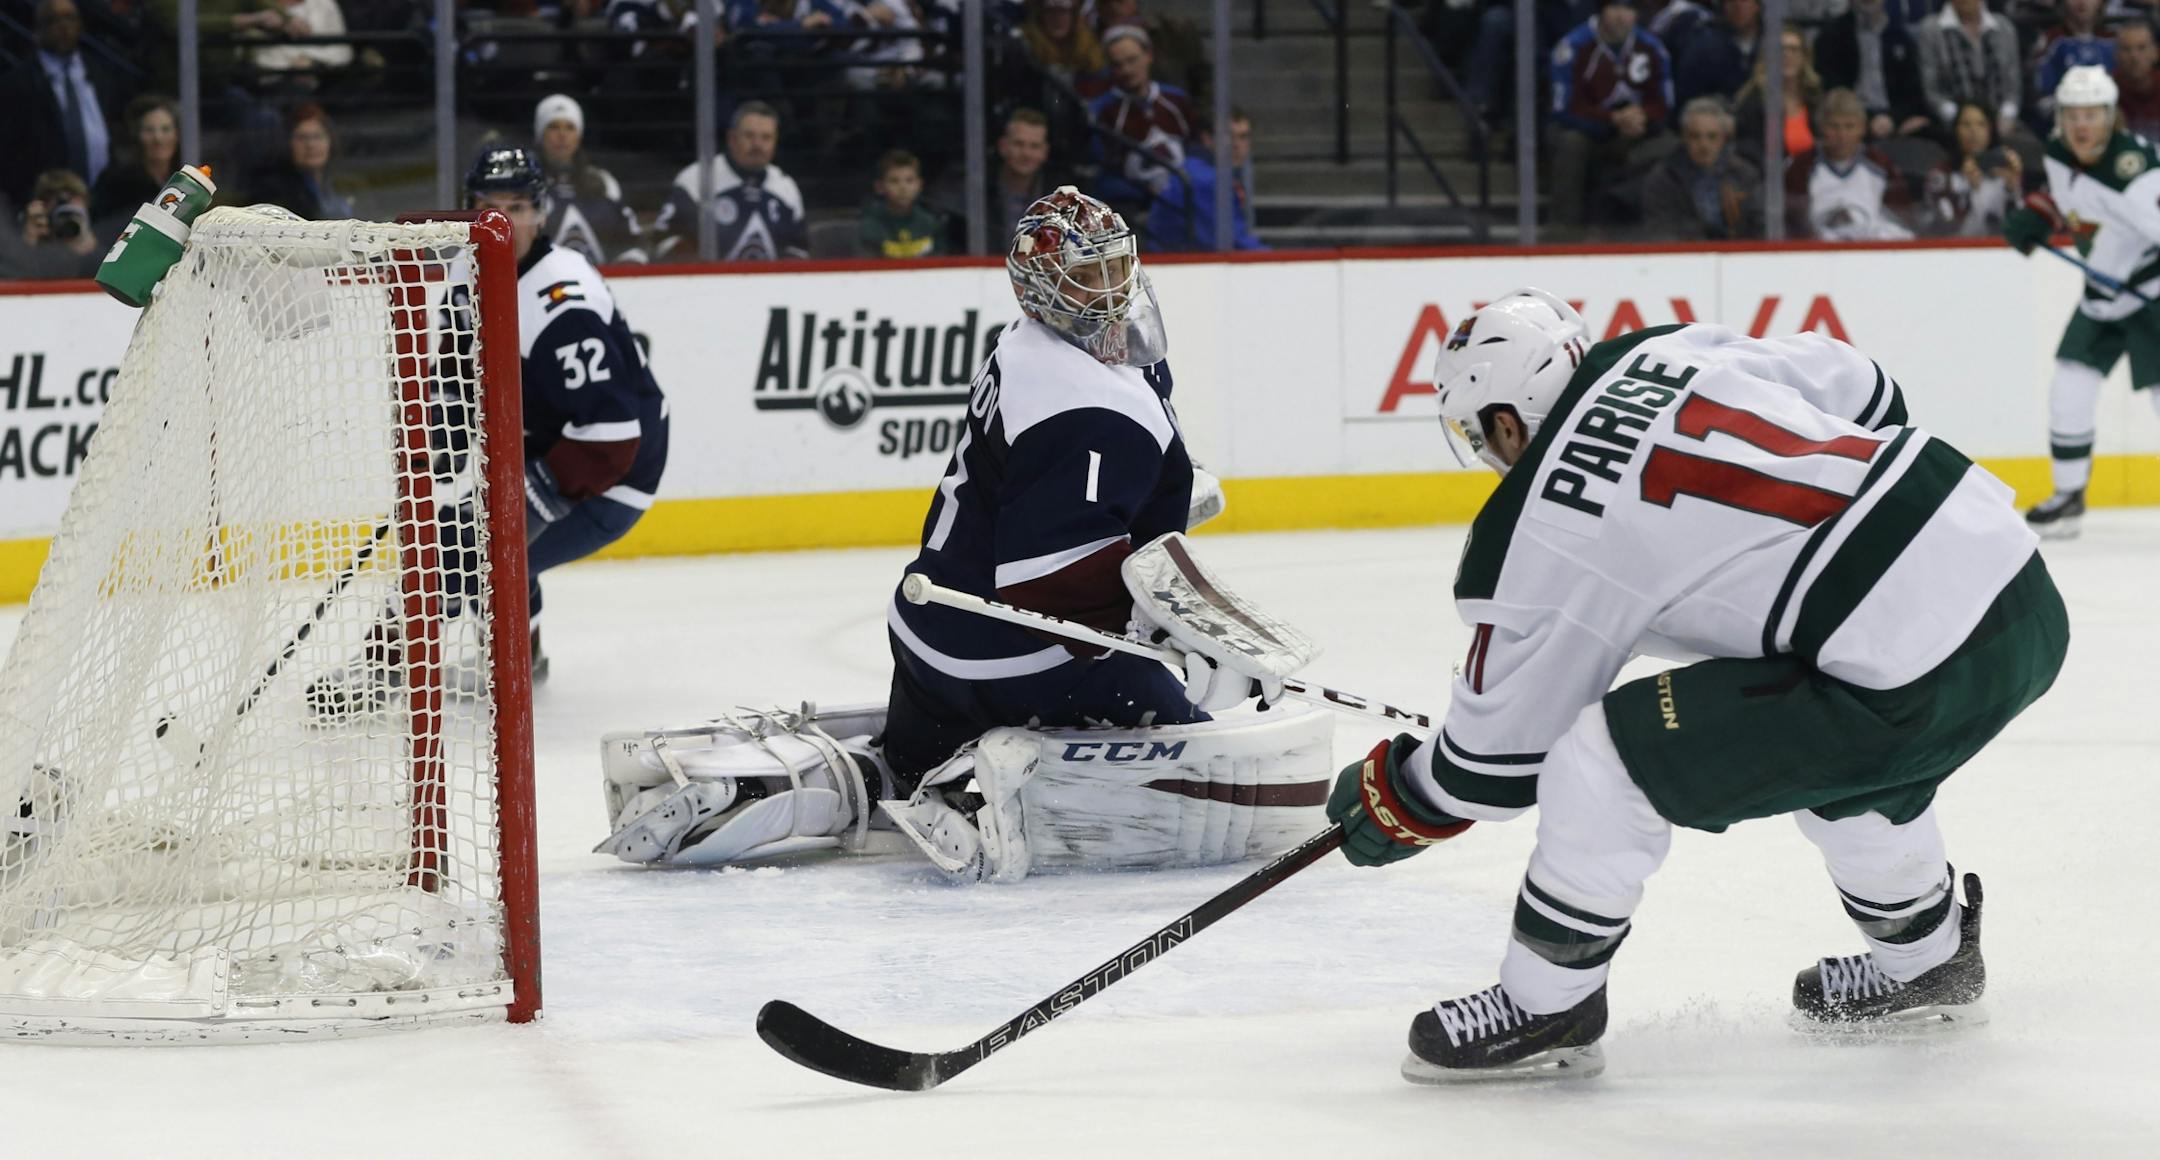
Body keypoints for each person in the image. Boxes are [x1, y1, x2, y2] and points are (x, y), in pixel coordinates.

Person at [1324, 287, 2066, 1082]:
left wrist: (1400, 793)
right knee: (1838, 747)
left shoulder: (1535, 529)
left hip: (1905, 667)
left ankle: (1547, 1005)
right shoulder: (1657, 349)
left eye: (1483, 436)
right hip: (2013, 579)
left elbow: (1490, 768)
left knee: (1602, 760)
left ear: (1507, 422)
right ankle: (1928, 961)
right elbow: (1865, 383)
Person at [591, 187, 1323, 876]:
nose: (1112, 289)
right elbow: (1052, 585)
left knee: (891, 768)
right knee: (1194, 743)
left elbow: (1036, 492)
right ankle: (998, 788)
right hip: (1022, 657)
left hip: (928, 641)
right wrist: (1179, 639)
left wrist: (1152, 499)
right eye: (1086, 277)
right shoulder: (1090, 407)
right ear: (1041, 290)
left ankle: (796, 789)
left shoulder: (1029, 348)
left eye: (1116, 265)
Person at [2001, 65, 2160, 537]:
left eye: (2092, 115)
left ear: (2111, 118)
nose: (2082, 126)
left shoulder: (2138, 177)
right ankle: (2068, 495)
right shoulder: (2057, 154)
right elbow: (2067, 197)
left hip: (2152, 298)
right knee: (2068, 389)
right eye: (2073, 115)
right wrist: (2038, 215)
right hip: (2102, 297)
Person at [1548, 0, 1676, 236]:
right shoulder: (1573, 46)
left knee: (1671, 145)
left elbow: (1663, 104)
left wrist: (1641, 117)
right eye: (1614, 7)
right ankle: (1563, 230)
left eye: (1628, 8)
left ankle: (1654, 229)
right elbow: (1565, 108)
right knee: (1570, 144)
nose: (1621, 16)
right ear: (1601, 10)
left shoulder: (1652, 47)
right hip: (1589, 131)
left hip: (1635, 132)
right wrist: (1612, 118)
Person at [0, 0, 127, 208]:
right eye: (53, 20)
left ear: (81, 25)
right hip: (44, 202)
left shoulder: (102, 73)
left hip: (105, 200)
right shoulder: (15, 84)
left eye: (70, 18)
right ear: (37, 29)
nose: (63, 26)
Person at [651, 100, 809, 261]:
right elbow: (665, 242)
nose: (757, 145)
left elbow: (798, 249)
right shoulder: (696, 179)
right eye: (749, 135)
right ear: (731, 138)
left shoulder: (786, 187)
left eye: (766, 138)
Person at [1088, 25, 1198, 208]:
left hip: (1184, 195)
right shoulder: (1103, 111)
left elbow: (1196, 146)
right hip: (1133, 206)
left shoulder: (1176, 99)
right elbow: (1104, 170)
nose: (1127, 70)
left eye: (1132, 60)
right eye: (1118, 64)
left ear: (1149, 56)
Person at [1785, 87, 1915, 240]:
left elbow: (1901, 224)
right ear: (1821, 127)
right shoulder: (1801, 168)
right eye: (1834, 126)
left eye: (1849, 126)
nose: (1842, 135)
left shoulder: (1881, 166)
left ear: (1862, 128)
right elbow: (1793, 225)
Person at [533, 93, 648, 264]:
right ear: (540, 135)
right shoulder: (526, 185)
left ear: (579, 137)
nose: (562, 135)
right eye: (554, 126)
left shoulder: (603, 183)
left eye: (570, 127)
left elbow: (632, 242)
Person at [1640, 95, 1763, 239]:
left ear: (1724, 138)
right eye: (1695, 136)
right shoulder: (1663, 180)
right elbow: (1662, 232)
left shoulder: (1745, 175)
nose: (1704, 145)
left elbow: (1761, 226)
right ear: (1684, 138)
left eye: (1712, 137)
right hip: (1685, 256)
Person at [1815, 0, 1932, 143]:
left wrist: (1894, 118)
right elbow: (1832, 87)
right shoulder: (1833, 35)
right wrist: (1863, 118)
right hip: (1849, 117)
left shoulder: (1900, 36)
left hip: (1894, 117)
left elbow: (1914, 92)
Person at [1917, 0, 2022, 146]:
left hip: (2000, 122)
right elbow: (1932, 91)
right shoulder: (1931, 29)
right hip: (1952, 125)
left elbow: (2013, 86)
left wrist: (2007, 117)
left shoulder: (2004, 27)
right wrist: (1964, 122)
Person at [1924, 101, 2022, 236]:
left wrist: (2012, 190)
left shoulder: (2003, 170)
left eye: (1981, 124)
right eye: (1966, 124)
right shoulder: (1941, 176)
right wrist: (1970, 190)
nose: (1973, 131)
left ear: (1991, 130)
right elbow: (1946, 230)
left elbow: (2019, 231)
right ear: (1956, 130)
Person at [89, 94, 180, 235]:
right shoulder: (115, 181)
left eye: (166, 129)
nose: (158, 139)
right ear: (136, 135)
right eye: (149, 130)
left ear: (177, 134)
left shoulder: (185, 177)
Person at [246, 103, 354, 220]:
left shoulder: (337, 183)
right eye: (302, 138)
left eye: (317, 136)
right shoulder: (273, 189)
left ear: (330, 141)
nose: (311, 145)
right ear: (288, 143)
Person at [1734, 23, 1820, 159]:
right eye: (1780, 50)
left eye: (1794, 49)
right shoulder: (1752, 103)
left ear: (1804, 57)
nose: (1786, 55)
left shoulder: (1816, 99)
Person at [0, 167, 101, 280]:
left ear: (86, 202)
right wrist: (29, 241)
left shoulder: (104, 243)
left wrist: (91, 249)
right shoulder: (26, 248)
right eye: (49, 197)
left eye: (72, 194)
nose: (63, 200)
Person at [2031, 0, 2116, 128]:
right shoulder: (2051, 41)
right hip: (2064, 122)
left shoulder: (2114, 40)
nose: (2082, 2)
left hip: (2110, 120)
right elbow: (2042, 94)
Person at [857, 149, 946, 258]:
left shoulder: (931, 224)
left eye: (909, 181)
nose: (903, 188)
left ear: (920, 185)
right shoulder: (870, 226)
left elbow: (940, 263)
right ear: (879, 187)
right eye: (894, 181)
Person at [1674, 0, 1760, 107]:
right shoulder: (1703, 46)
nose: (1738, 6)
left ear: (1758, 5)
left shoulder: (1775, 42)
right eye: (1730, 2)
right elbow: (1688, 98)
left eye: (1745, 1)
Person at [2112, 20, 2160, 139]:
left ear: (2156, 52)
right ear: (2116, 54)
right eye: (2126, 49)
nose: (2134, 56)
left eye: (2141, 48)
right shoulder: (2107, 89)